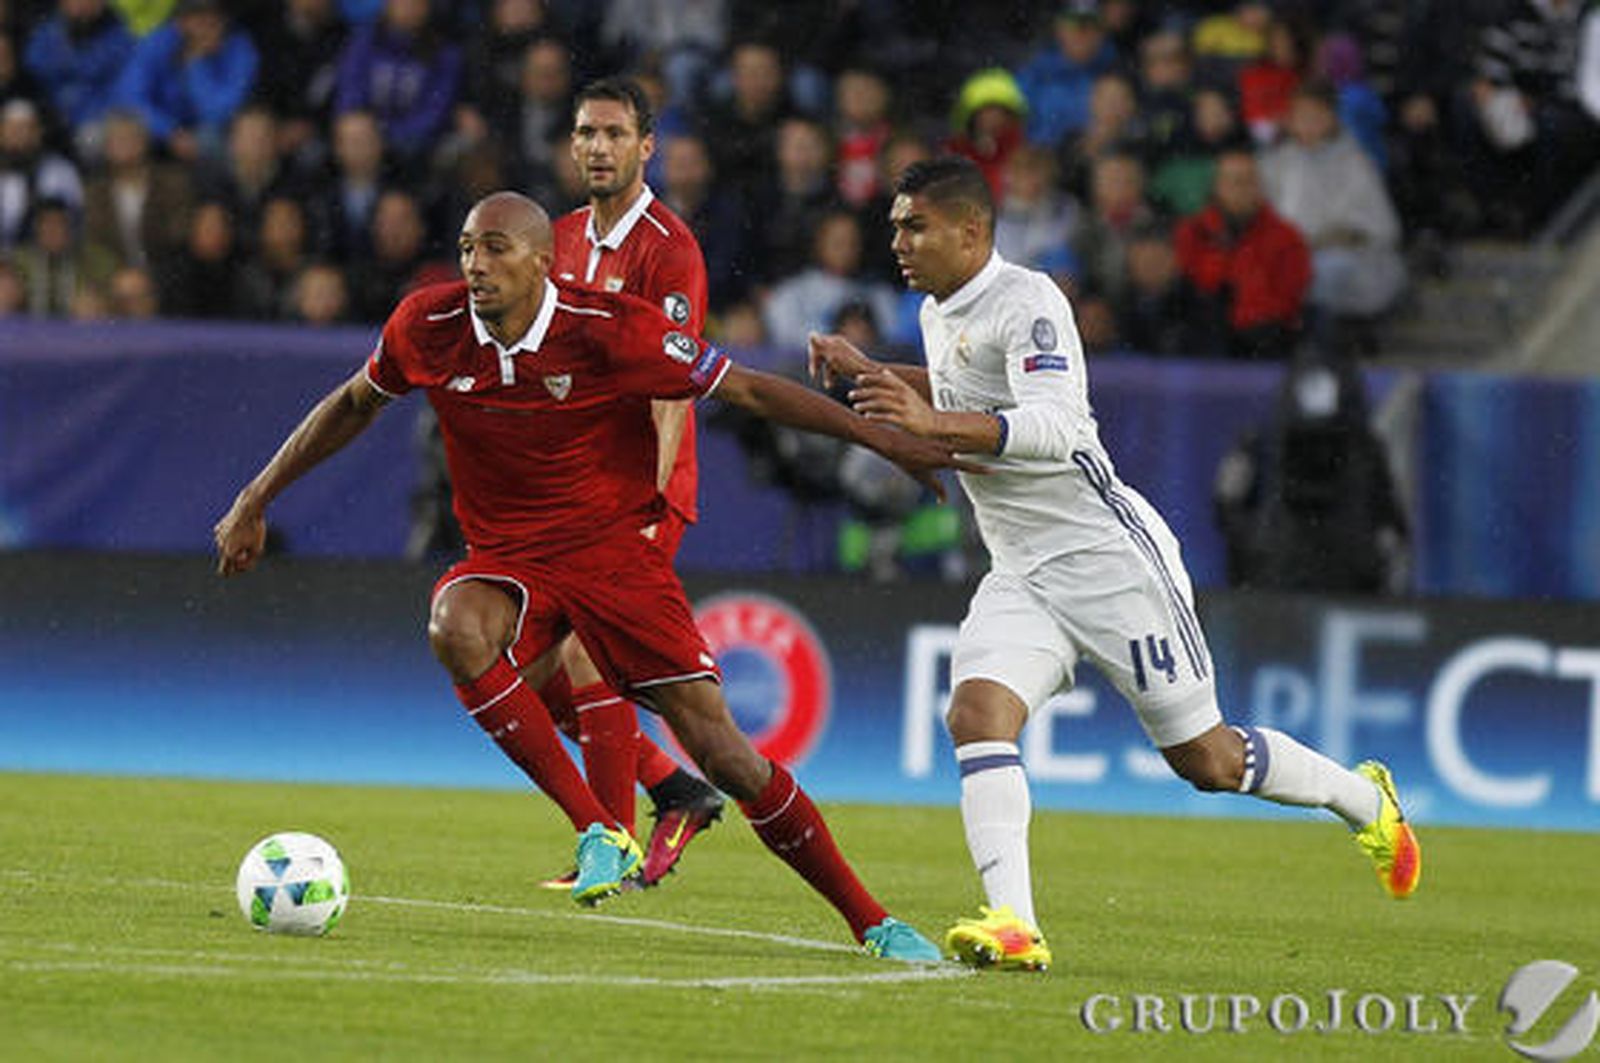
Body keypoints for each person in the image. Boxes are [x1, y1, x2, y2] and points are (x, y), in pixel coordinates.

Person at [214, 189, 963, 962]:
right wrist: (254, 497)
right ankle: (601, 827)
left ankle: (871, 918)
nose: (477, 264)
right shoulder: (427, 325)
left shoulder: (610, 329)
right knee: (455, 625)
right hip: (509, 558)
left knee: (727, 755)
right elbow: (351, 403)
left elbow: (744, 388)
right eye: (469, 247)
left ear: (544, 262)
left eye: (497, 248)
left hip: (613, 557)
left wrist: (877, 438)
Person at [807, 155, 1421, 973]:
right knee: (976, 715)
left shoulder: (1030, 302)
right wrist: (878, 374)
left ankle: (1362, 798)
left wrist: (930, 420)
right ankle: (1015, 923)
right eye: (894, 226)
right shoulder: (936, 309)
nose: (899, 242)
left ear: (971, 229)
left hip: (1109, 562)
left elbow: (1058, 424)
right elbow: (961, 390)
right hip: (1022, 569)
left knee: (1206, 760)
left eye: (914, 225)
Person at [540, 76, 723, 889]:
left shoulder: (669, 248)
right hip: (566, 490)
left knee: (587, 651)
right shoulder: (559, 237)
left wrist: (643, 508)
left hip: (638, 491)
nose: (598, 147)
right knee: (524, 669)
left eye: (615, 134)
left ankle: (606, 844)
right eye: (586, 133)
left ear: (647, 146)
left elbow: (670, 386)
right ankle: (674, 786)